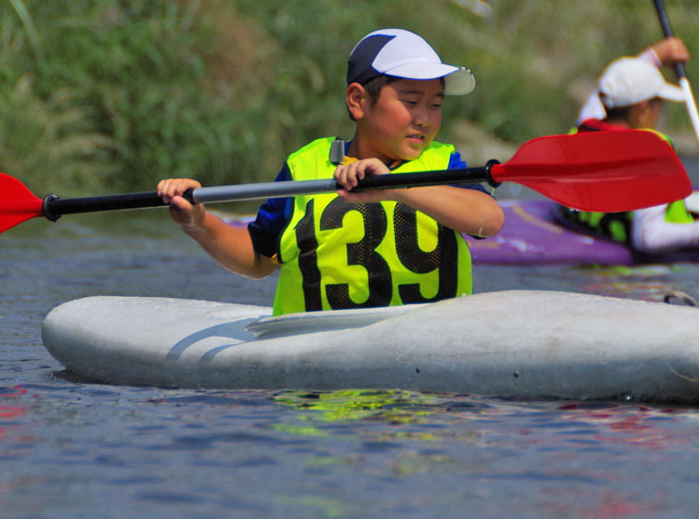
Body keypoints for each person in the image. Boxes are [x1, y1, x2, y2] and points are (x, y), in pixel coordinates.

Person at [157, 28, 504, 315]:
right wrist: (199, 223)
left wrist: (397, 187)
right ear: (358, 101)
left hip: (423, 356)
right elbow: (260, 258)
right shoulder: (304, 167)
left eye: (436, 105)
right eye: (411, 102)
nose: (425, 118)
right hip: (319, 359)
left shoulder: (443, 164)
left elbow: (488, 220)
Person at [562, 54, 699, 253]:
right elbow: (648, 238)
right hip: (640, 279)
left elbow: (609, 91)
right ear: (643, 110)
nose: (660, 112)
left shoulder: (582, 131)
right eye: (659, 104)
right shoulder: (649, 154)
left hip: (591, 243)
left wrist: (657, 54)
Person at [576, 37, 691, 125]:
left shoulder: (579, 138)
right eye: (660, 104)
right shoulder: (652, 151)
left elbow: (598, 105)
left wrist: (655, 56)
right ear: (643, 111)